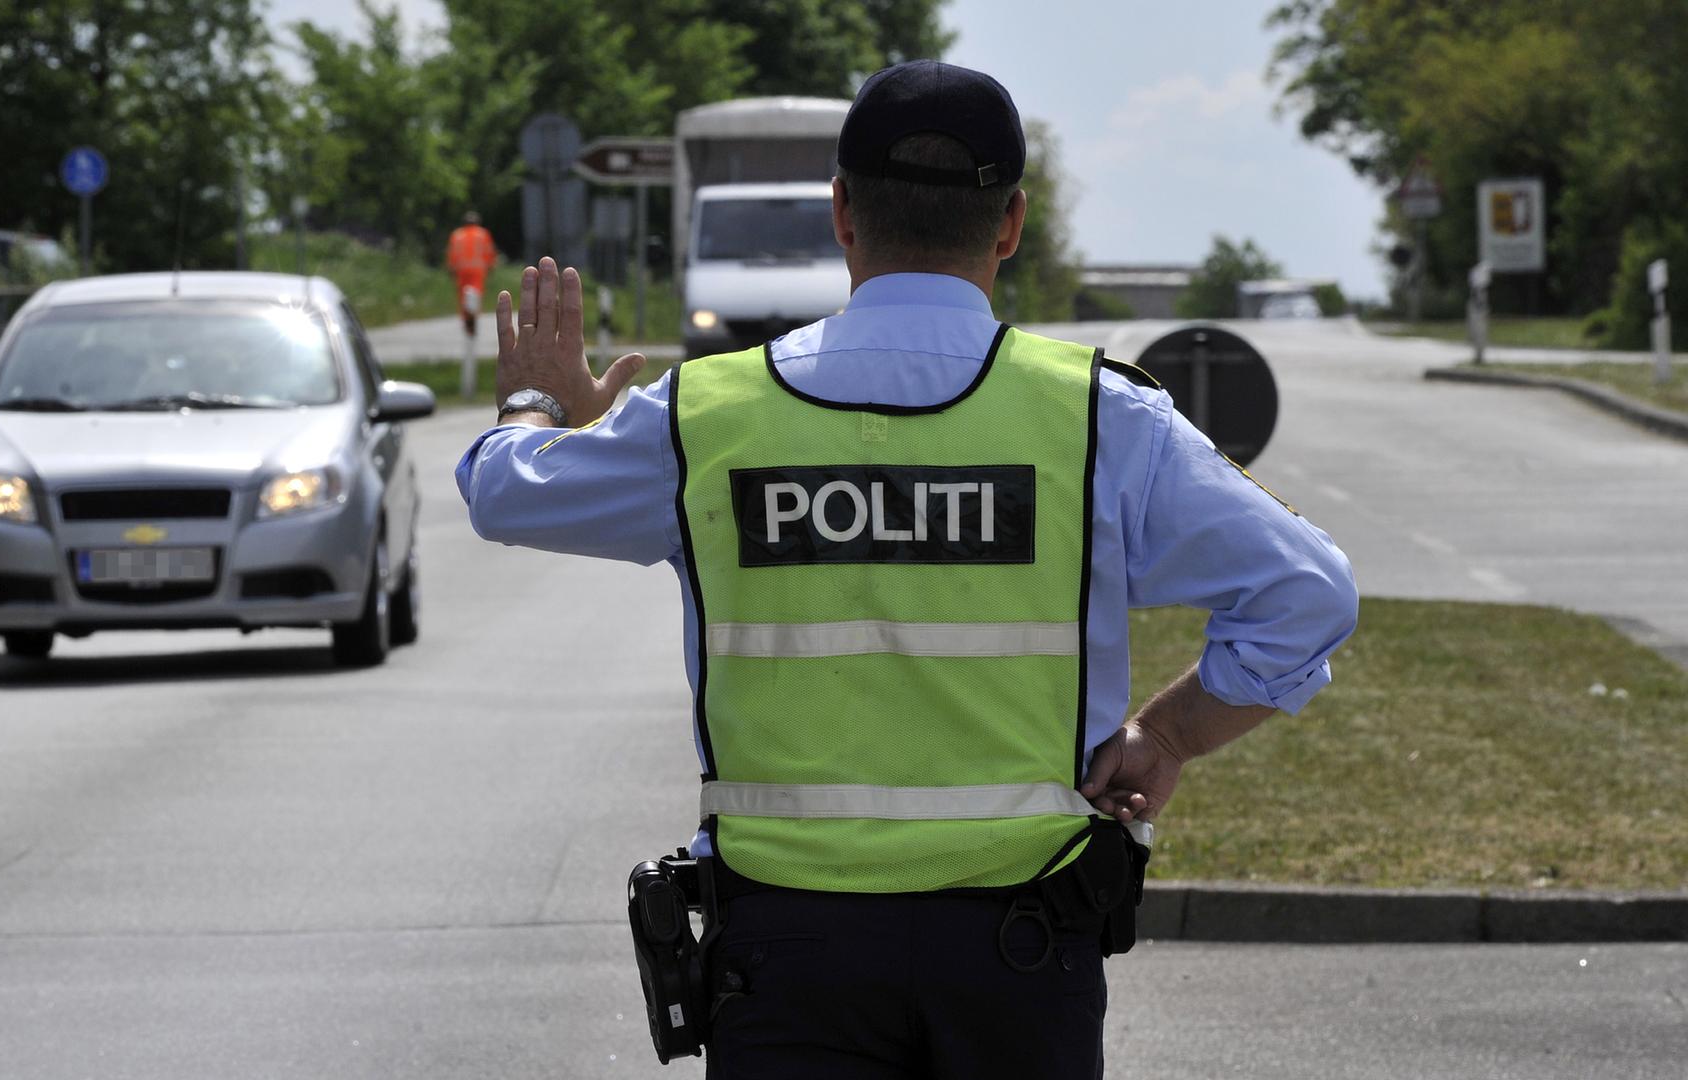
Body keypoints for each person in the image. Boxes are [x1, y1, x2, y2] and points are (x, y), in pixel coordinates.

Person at [457, 60, 1357, 1079]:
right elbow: (1309, 594)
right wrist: (1173, 734)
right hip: (1020, 956)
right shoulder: (1102, 419)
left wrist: (539, 405)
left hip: (790, 963)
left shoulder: (708, 416)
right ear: (1010, 223)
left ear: (841, 213)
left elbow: (507, 492)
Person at [445, 210, 497, 339]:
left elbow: (451, 253)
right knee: (476, 294)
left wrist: (451, 269)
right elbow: (489, 251)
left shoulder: (456, 235)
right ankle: (473, 319)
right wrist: (491, 266)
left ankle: (467, 321)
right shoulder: (483, 234)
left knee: (463, 296)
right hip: (478, 270)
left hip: (461, 270)